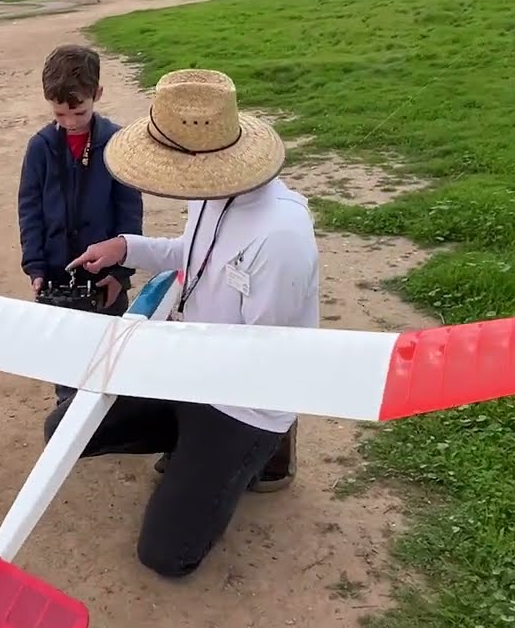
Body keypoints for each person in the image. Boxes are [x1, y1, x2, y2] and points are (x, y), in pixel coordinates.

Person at [54, 68, 319, 578]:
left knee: (167, 555)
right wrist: (126, 247)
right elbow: (196, 256)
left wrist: (160, 353)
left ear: (204, 158)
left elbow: (271, 358)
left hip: (243, 401)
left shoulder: (281, 236)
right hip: (190, 368)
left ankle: (264, 452)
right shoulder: (215, 187)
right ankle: (192, 447)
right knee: (65, 428)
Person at [17, 45, 144, 404]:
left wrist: (120, 272)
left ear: (97, 95)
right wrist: (35, 265)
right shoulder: (40, 147)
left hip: (105, 272)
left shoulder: (118, 143)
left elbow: (130, 212)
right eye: (60, 114)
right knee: (64, 355)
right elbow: (29, 210)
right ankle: (68, 409)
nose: (70, 121)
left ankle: (114, 415)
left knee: (111, 351)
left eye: (79, 112)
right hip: (57, 271)